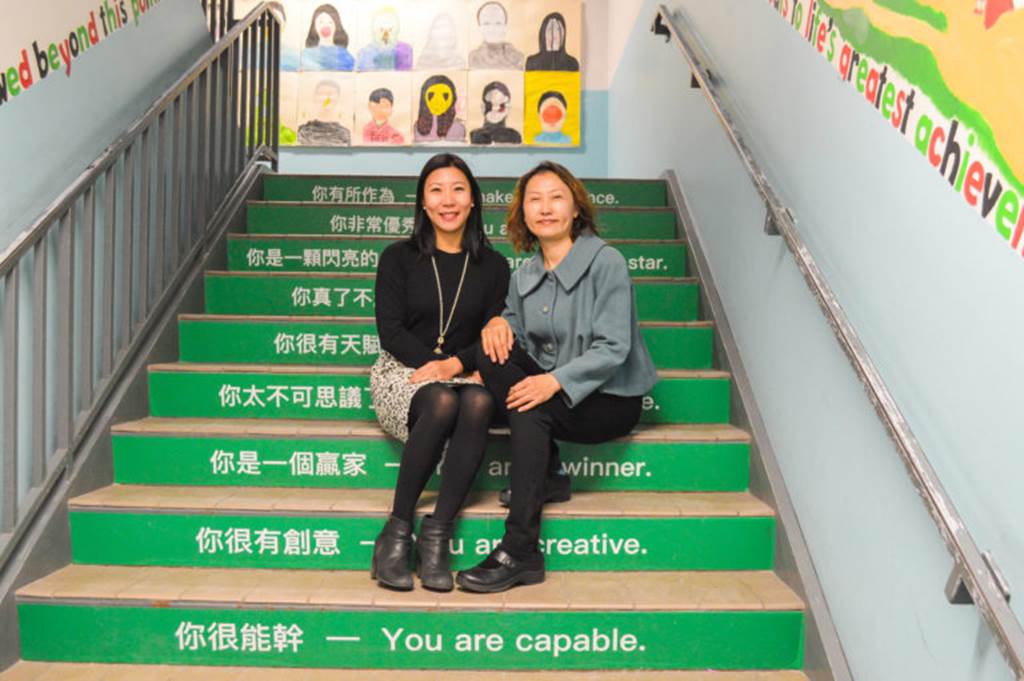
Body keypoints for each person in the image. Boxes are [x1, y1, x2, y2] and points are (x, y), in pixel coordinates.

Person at [456, 161, 657, 593]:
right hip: (548, 391)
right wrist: (496, 323)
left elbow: (613, 347)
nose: (545, 208)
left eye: (556, 197)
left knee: (533, 404)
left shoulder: (607, 262)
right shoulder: (523, 274)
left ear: (576, 207)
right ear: (523, 213)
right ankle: (546, 481)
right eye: (534, 199)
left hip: (607, 400)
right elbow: (511, 333)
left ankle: (521, 546)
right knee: (493, 356)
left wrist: (554, 381)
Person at [370, 153, 511, 592]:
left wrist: (457, 365)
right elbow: (390, 331)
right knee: (444, 398)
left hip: (464, 371)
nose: (447, 200)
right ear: (423, 203)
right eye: (436, 190)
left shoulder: (494, 266)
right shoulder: (397, 258)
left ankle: (437, 535)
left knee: (479, 400)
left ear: (473, 201)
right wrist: (435, 369)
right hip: (403, 372)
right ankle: (396, 531)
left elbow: (492, 332)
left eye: (457, 189)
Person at [469, 1, 524, 69]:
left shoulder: (517, 58)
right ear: (480, 28)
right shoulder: (473, 58)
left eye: (498, 23)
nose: (492, 29)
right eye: (486, 24)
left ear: (505, 27)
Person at [301, 4, 355, 71]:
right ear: (314, 27)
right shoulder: (305, 55)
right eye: (321, 22)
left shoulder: (346, 57)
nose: (325, 26)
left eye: (330, 22)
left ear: (337, 26)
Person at [414, 75, 466, 143]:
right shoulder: (417, 127)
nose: (438, 100)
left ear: (453, 99)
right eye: (431, 95)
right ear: (424, 98)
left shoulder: (458, 128)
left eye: (445, 95)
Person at [470, 81, 522, 145]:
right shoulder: (476, 135)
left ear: (508, 107)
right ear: (482, 106)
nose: (495, 109)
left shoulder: (514, 136)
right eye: (489, 105)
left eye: (501, 106)